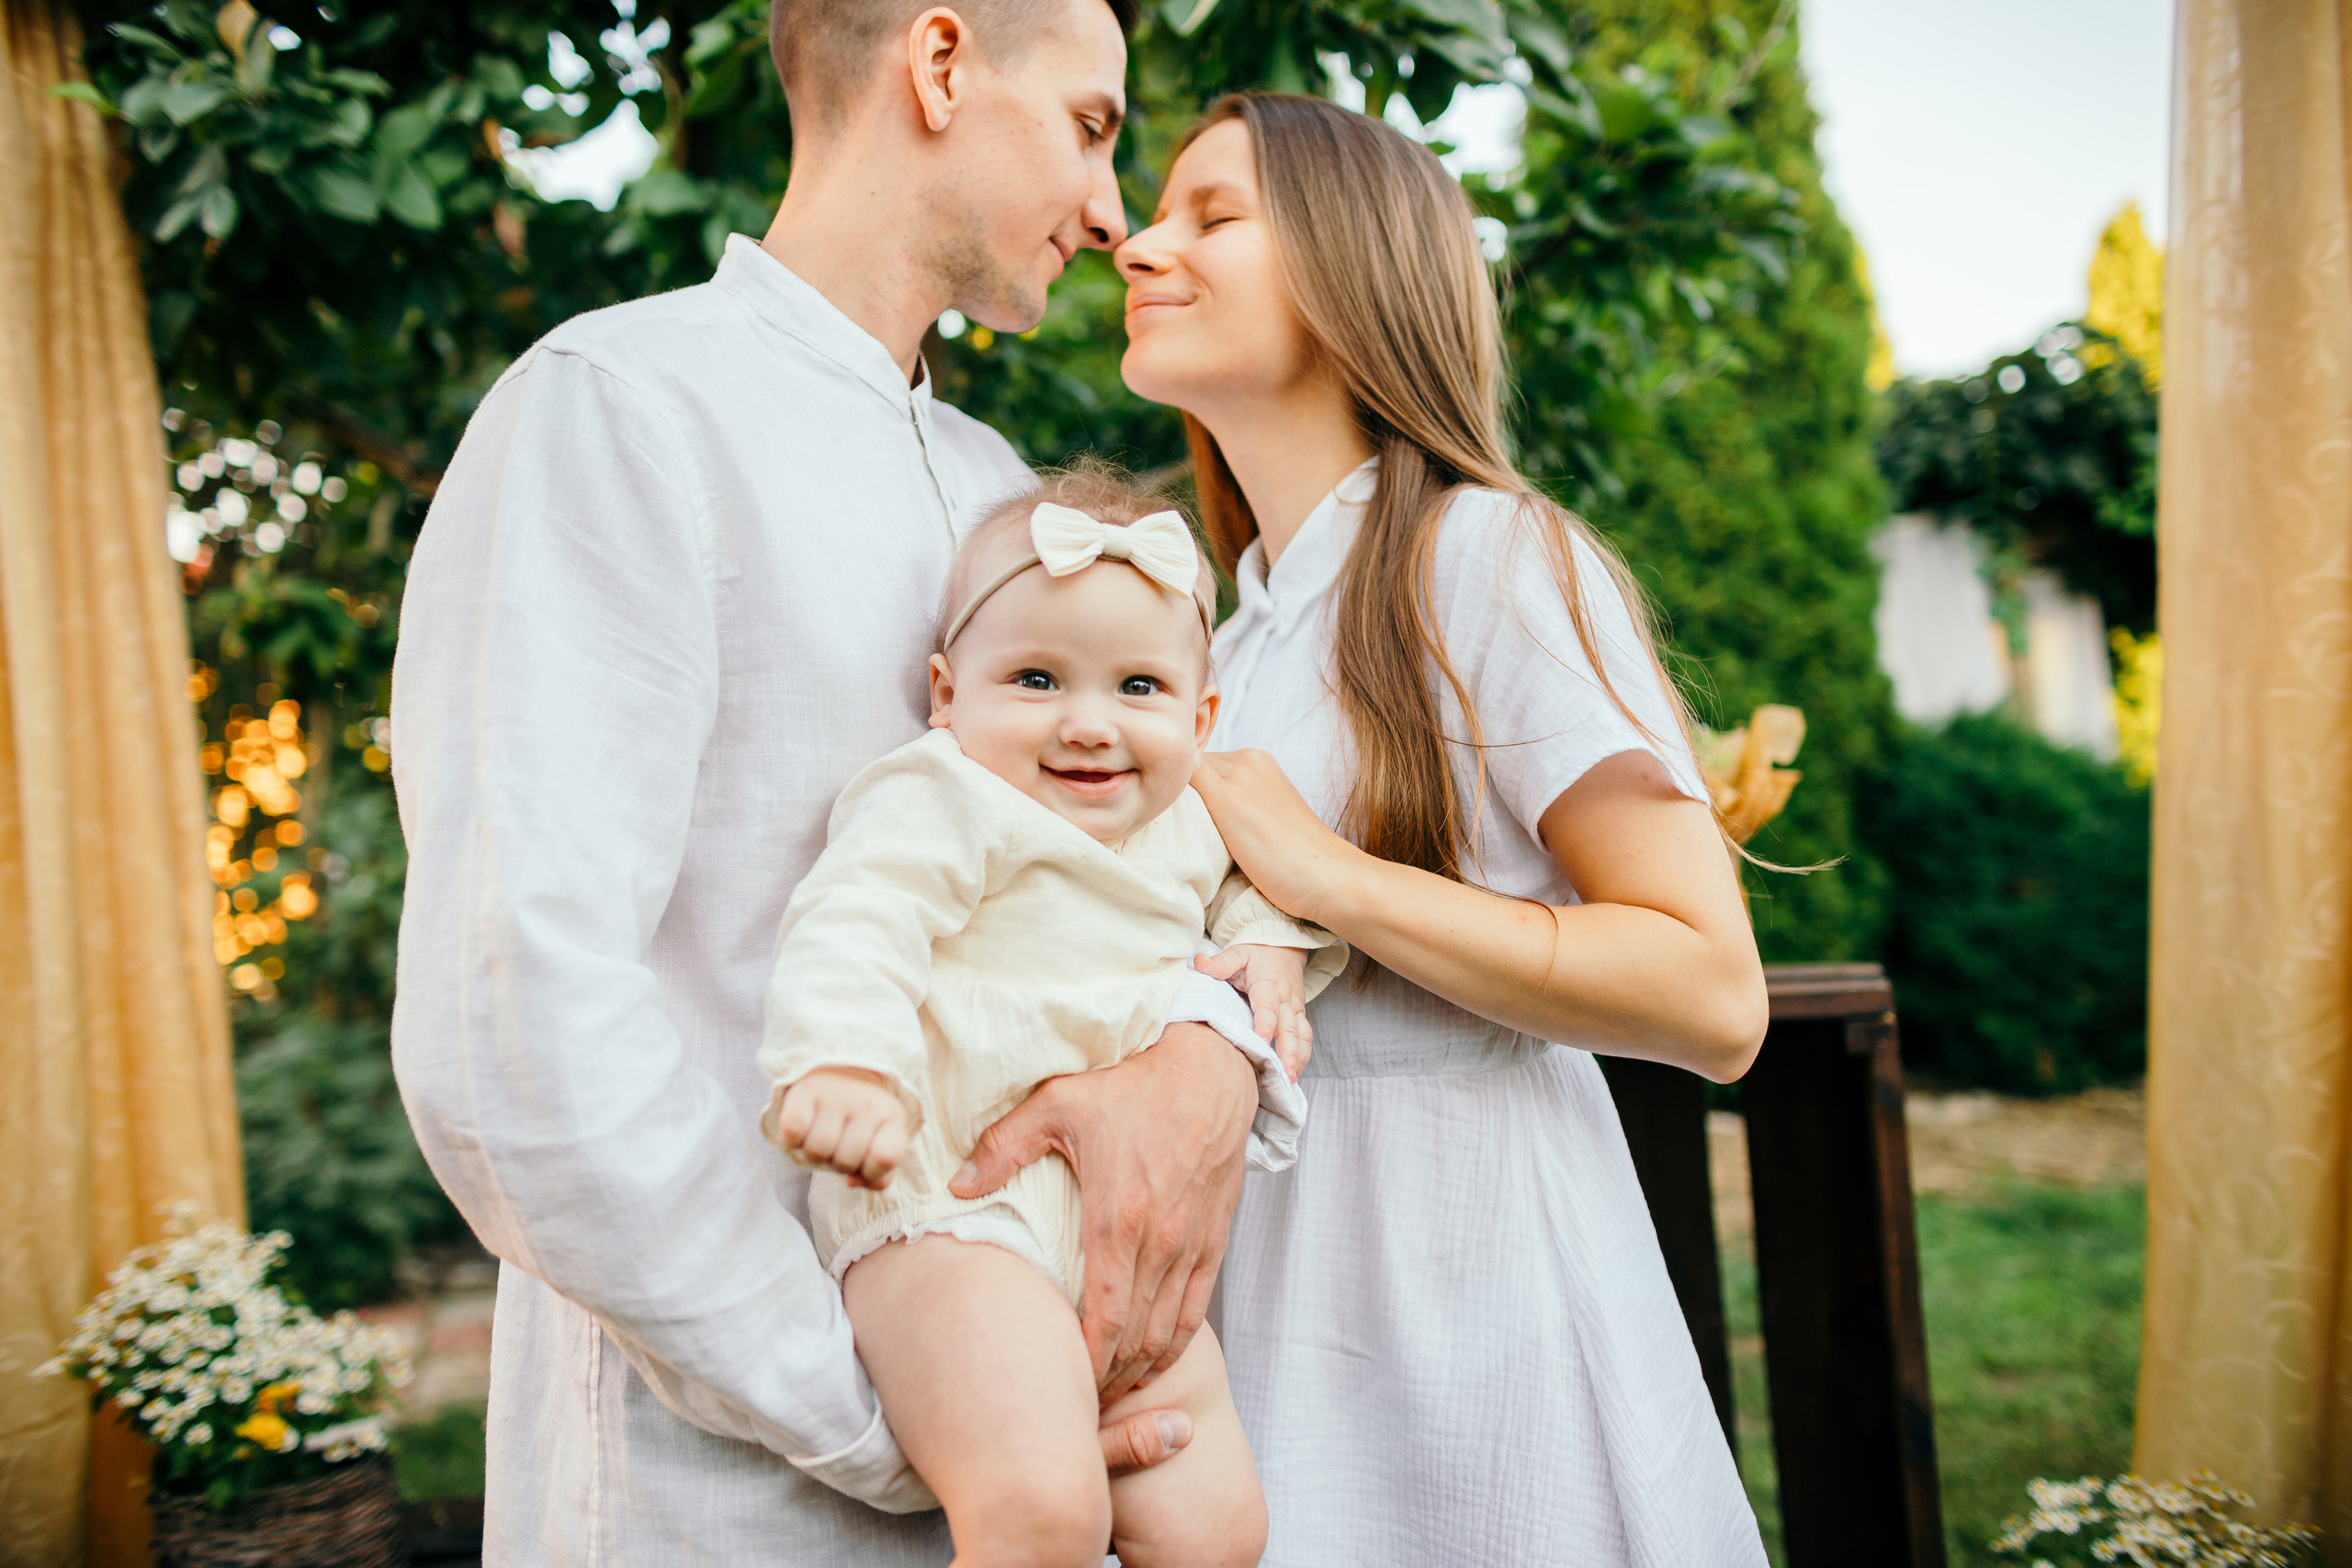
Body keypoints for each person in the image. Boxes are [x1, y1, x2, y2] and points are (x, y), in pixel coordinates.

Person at [389, 6, 1298, 1560]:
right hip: (722, 1488)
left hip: (1047, 1438)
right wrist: (886, 1416)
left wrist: (1206, 1050)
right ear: (940, 64)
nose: (1107, 208)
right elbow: (516, 1028)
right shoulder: (620, 407)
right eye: (1089, 127)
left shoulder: (1005, 489)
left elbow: (1147, 862)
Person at [1113, 94, 1774, 1563]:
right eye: (1159, 211)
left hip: (1475, 1314)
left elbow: (1711, 993)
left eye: (1212, 215)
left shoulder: (1488, 554)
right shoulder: (1236, 620)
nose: (1140, 243)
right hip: (1272, 1315)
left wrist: (1328, 878)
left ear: (1356, 269)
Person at [764, 469, 1344, 1567]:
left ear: (1201, 716)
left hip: (1119, 1240)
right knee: (1041, 1513)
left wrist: (1269, 941)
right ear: (946, 693)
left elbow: (1271, 887)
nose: (1089, 725)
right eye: (1035, 679)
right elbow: (858, 915)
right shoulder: (946, 794)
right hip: (952, 1215)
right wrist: (843, 1062)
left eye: (1138, 687)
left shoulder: (1186, 819)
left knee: (1217, 1530)